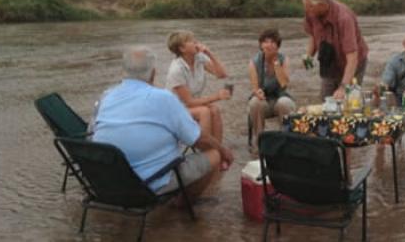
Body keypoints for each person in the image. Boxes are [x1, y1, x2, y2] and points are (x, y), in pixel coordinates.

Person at [92, 46, 231, 203]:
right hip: (148, 185)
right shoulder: (163, 98)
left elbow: (92, 134)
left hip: (106, 183)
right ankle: (184, 203)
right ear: (153, 73)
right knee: (214, 154)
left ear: (123, 71)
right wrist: (223, 150)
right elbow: (199, 139)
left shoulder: (106, 97)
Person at [165, 31, 233, 168]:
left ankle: (217, 154)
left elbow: (221, 74)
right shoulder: (176, 70)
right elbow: (189, 102)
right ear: (182, 48)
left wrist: (209, 53)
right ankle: (206, 153)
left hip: (191, 105)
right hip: (175, 109)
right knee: (204, 111)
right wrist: (217, 96)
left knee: (215, 110)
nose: (195, 42)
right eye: (191, 41)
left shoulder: (199, 58)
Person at [302, 0, 369, 100]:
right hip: (329, 60)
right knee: (325, 100)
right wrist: (309, 55)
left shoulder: (344, 18)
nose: (306, 9)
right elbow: (313, 35)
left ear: (323, 5)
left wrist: (343, 87)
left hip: (352, 63)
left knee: (347, 100)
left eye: (310, 6)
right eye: (305, 5)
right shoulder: (311, 12)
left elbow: (352, 58)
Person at [247, 28, 297, 148]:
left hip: (280, 97)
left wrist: (276, 64)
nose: (269, 45)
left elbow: (284, 83)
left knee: (285, 103)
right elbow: (255, 87)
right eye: (265, 41)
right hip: (264, 100)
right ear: (261, 44)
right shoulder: (254, 62)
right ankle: (259, 142)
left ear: (277, 46)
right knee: (255, 103)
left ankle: (286, 140)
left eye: (272, 42)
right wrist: (258, 93)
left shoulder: (284, 59)